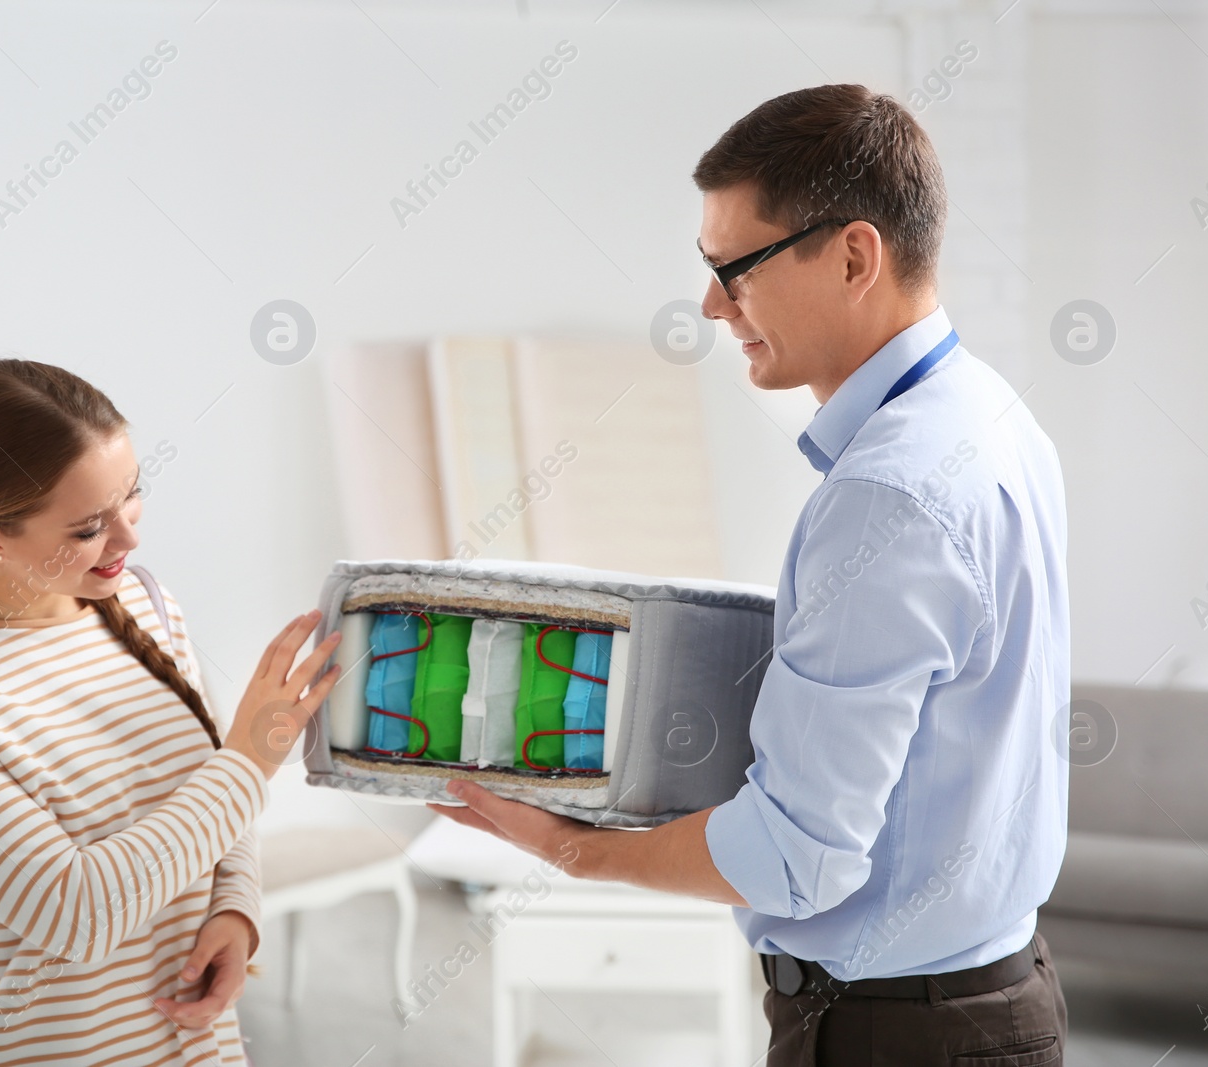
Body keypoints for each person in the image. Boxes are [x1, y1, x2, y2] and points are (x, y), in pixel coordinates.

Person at [432, 83, 1070, 1065]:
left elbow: (796, 859)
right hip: (986, 994)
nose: (709, 304)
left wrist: (569, 844)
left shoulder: (887, 494)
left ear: (855, 255)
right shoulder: (991, 414)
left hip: (894, 1031)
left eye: (737, 268)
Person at [0, 359, 340, 1066]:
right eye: (86, 528)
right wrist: (252, 759)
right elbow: (73, 911)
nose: (128, 541)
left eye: (132, 497)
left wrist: (235, 906)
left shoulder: (141, 603)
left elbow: (206, 790)